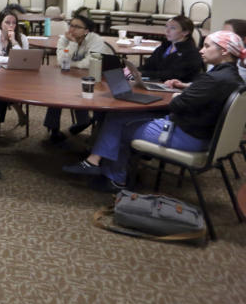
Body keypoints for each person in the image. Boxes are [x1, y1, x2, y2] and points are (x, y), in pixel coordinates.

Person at [62, 31, 246, 192]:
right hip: (204, 136)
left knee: (117, 123)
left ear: (224, 51)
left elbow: (177, 105)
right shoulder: (232, 78)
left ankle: (114, 178)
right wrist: (186, 88)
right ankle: (96, 162)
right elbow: (204, 95)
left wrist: (178, 96)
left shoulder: (214, 79)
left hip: (188, 137)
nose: (201, 50)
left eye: (207, 46)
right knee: (121, 116)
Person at [43, 12, 109, 143]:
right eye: (71, 25)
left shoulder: (96, 40)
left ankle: (84, 122)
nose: (71, 29)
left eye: (77, 27)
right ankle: (54, 129)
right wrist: (72, 44)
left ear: (86, 31)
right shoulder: (64, 39)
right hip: (71, 76)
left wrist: (71, 64)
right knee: (57, 91)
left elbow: (89, 64)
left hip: (97, 79)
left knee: (78, 89)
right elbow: (61, 61)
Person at [0, 9, 30, 125]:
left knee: (5, 87)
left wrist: (14, 41)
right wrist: (12, 60)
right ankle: (18, 112)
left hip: (16, 75)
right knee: (0, 86)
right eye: (7, 22)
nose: (11, 25)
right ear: (0, 23)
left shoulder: (22, 38)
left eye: (14, 23)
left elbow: (24, 59)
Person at [135, 15, 203, 82]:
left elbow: (173, 75)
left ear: (185, 32)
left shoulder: (192, 53)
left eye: (173, 28)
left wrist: (143, 73)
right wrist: (134, 70)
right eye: (166, 27)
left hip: (176, 88)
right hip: (157, 82)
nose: (167, 31)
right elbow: (149, 65)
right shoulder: (165, 46)